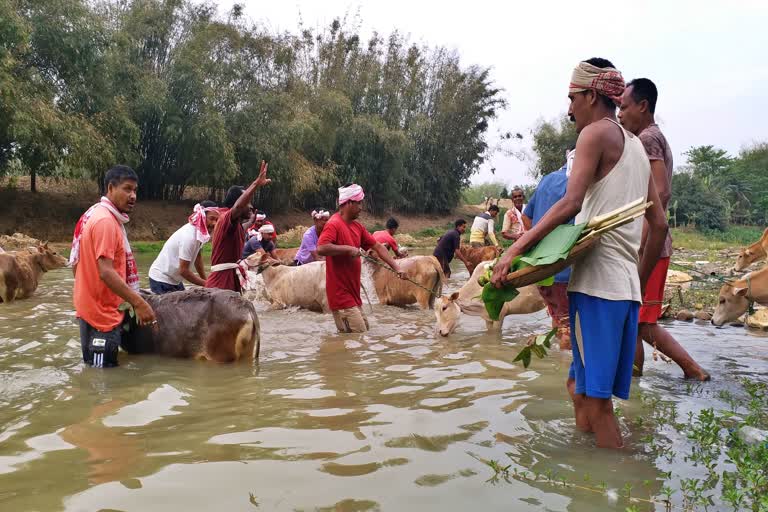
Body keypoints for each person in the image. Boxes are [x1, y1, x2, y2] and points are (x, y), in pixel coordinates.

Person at [491, 58, 668, 449]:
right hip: (623, 292)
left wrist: (514, 250)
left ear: (590, 95)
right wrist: (636, 282)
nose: (569, 109)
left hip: (597, 289)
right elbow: (659, 226)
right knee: (579, 387)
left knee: (597, 402)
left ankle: (619, 487)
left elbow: (571, 202)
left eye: (572, 98)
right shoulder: (637, 147)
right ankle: (588, 473)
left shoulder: (594, 135)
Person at [619, 78, 710, 381]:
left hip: (650, 245)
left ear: (642, 106)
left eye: (624, 107)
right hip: (651, 242)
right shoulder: (652, 138)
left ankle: (693, 370)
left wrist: (642, 244)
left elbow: (662, 191)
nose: (620, 115)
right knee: (633, 321)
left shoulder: (647, 138)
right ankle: (633, 385)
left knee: (640, 322)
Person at [70, 165, 157, 368]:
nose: (133, 196)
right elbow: (106, 272)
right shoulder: (106, 222)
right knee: (102, 382)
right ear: (110, 188)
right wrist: (140, 303)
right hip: (101, 317)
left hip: (94, 309)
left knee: (96, 370)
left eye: (135, 190)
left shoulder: (95, 215)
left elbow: (77, 266)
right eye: (127, 189)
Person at [317, 184, 404, 333]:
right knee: (358, 336)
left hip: (353, 294)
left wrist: (397, 268)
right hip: (341, 296)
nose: (361, 207)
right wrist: (348, 249)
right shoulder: (334, 224)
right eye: (358, 203)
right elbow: (321, 248)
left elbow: (378, 246)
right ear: (349, 203)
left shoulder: (357, 227)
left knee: (364, 332)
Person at [522, 150, 574, 349]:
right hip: (566, 271)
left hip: (542, 270)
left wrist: (540, 244)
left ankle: (555, 365)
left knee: (559, 321)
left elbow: (526, 218)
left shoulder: (547, 180)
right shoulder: (578, 183)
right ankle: (563, 375)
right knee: (568, 328)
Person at [206, 160, 271, 292]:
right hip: (221, 283)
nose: (251, 206)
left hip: (228, 279)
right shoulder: (226, 218)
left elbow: (240, 229)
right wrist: (256, 184)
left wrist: (250, 222)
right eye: (248, 202)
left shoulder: (233, 224)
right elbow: (238, 206)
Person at [148, 201, 220, 294]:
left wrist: (206, 281)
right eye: (211, 219)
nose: (214, 223)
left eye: (217, 220)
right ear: (202, 217)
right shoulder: (190, 236)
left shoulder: (199, 234)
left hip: (175, 280)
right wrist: (207, 284)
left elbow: (197, 257)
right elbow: (184, 271)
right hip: (161, 279)